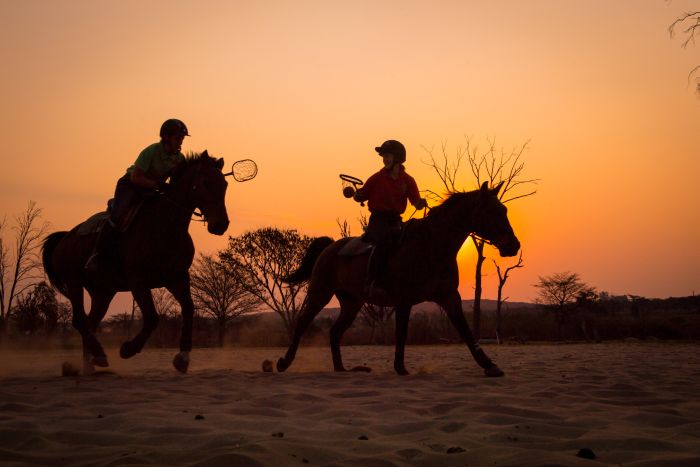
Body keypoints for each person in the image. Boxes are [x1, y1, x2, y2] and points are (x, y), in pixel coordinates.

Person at [84, 119, 189, 272]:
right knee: (117, 217)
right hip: (130, 186)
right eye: (178, 138)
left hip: (152, 189)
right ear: (166, 137)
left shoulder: (180, 159)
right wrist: (157, 185)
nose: (180, 142)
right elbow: (136, 178)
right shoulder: (152, 151)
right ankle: (97, 255)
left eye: (182, 138)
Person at [352, 139, 427, 294]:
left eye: (387, 156)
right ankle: (371, 281)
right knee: (384, 241)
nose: (384, 159)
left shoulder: (408, 181)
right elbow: (362, 195)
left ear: (397, 158)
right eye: (383, 157)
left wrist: (421, 203)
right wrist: (356, 195)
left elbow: (416, 202)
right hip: (378, 220)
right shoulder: (376, 178)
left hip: (396, 221)